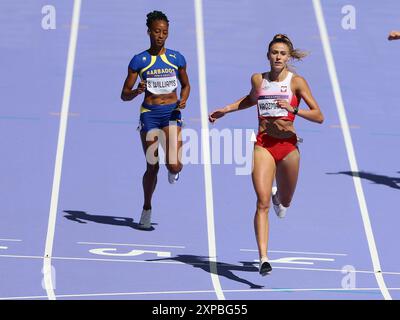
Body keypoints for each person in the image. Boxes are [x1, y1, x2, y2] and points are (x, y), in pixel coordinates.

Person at [209, 34, 324, 276]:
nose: (278, 57)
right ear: (268, 55)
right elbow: (251, 99)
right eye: (274, 52)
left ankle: (278, 196)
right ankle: (263, 258)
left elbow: (319, 116)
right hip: (263, 145)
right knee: (261, 203)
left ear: (288, 56)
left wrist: (293, 109)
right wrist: (226, 110)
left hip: (289, 147)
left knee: (285, 202)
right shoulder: (258, 79)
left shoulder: (297, 83)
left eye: (282, 53)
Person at [121, 11, 190, 229]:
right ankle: (147, 208)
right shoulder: (139, 60)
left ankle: (174, 171)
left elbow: (186, 85)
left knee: (175, 165)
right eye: (157, 32)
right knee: (152, 166)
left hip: (171, 114)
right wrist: (137, 91)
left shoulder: (176, 58)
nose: (161, 36)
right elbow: (124, 94)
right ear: (149, 32)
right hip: (149, 115)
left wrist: (184, 100)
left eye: (165, 32)